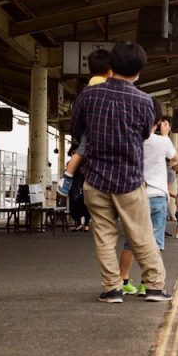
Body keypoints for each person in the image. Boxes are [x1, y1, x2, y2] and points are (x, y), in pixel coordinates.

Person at [69, 42, 171, 303]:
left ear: (110, 68)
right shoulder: (145, 101)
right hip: (130, 178)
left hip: (96, 177)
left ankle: (112, 289)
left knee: (104, 236)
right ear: (139, 72)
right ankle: (155, 287)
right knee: (142, 234)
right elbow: (142, 134)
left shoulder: (89, 96)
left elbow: (77, 131)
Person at [120, 113, 178, 295]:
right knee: (155, 243)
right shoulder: (162, 141)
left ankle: (122, 281)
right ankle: (147, 284)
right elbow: (175, 158)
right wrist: (165, 135)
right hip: (156, 197)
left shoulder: (132, 138)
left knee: (130, 242)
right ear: (158, 124)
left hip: (135, 196)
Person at [58, 48, 112, 197]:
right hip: (102, 129)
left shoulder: (87, 89)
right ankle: (68, 177)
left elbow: (76, 118)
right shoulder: (110, 87)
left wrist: (78, 134)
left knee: (80, 153)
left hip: (89, 128)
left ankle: (67, 177)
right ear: (110, 70)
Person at [67, 145, 90, 232]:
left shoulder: (85, 163)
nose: (74, 154)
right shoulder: (69, 163)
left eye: (76, 152)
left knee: (86, 205)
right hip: (74, 188)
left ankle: (86, 224)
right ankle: (79, 224)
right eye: (73, 153)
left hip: (84, 187)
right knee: (74, 206)